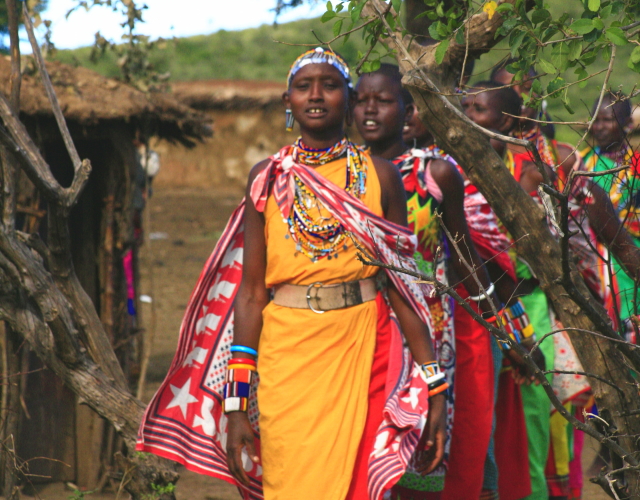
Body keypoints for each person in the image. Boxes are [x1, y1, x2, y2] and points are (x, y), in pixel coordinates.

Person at [137, 48, 448, 500]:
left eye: (329, 85)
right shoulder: (266, 178)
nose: (316, 95)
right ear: (288, 101)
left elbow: (403, 288)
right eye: (304, 86)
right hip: (286, 357)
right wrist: (236, 406)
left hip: (365, 345)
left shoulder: (380, 177)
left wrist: (434, 385)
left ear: (349, 97)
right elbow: (250, 295)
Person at [354, 64, 528, 500]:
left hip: (428, 331)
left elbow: (466, 258)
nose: (370, 111)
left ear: (410, 110)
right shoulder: (338, 176)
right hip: (357, 324)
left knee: (423, 456)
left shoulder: (434, 175)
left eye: (385, 101)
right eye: (362, 100)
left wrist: (511, 332)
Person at [580, 94, 640, 337]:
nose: (599, 127)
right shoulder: (582, 164)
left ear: (627, 125)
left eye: (607, 120)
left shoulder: (636, 163)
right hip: (598, 257)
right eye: (596, 120)